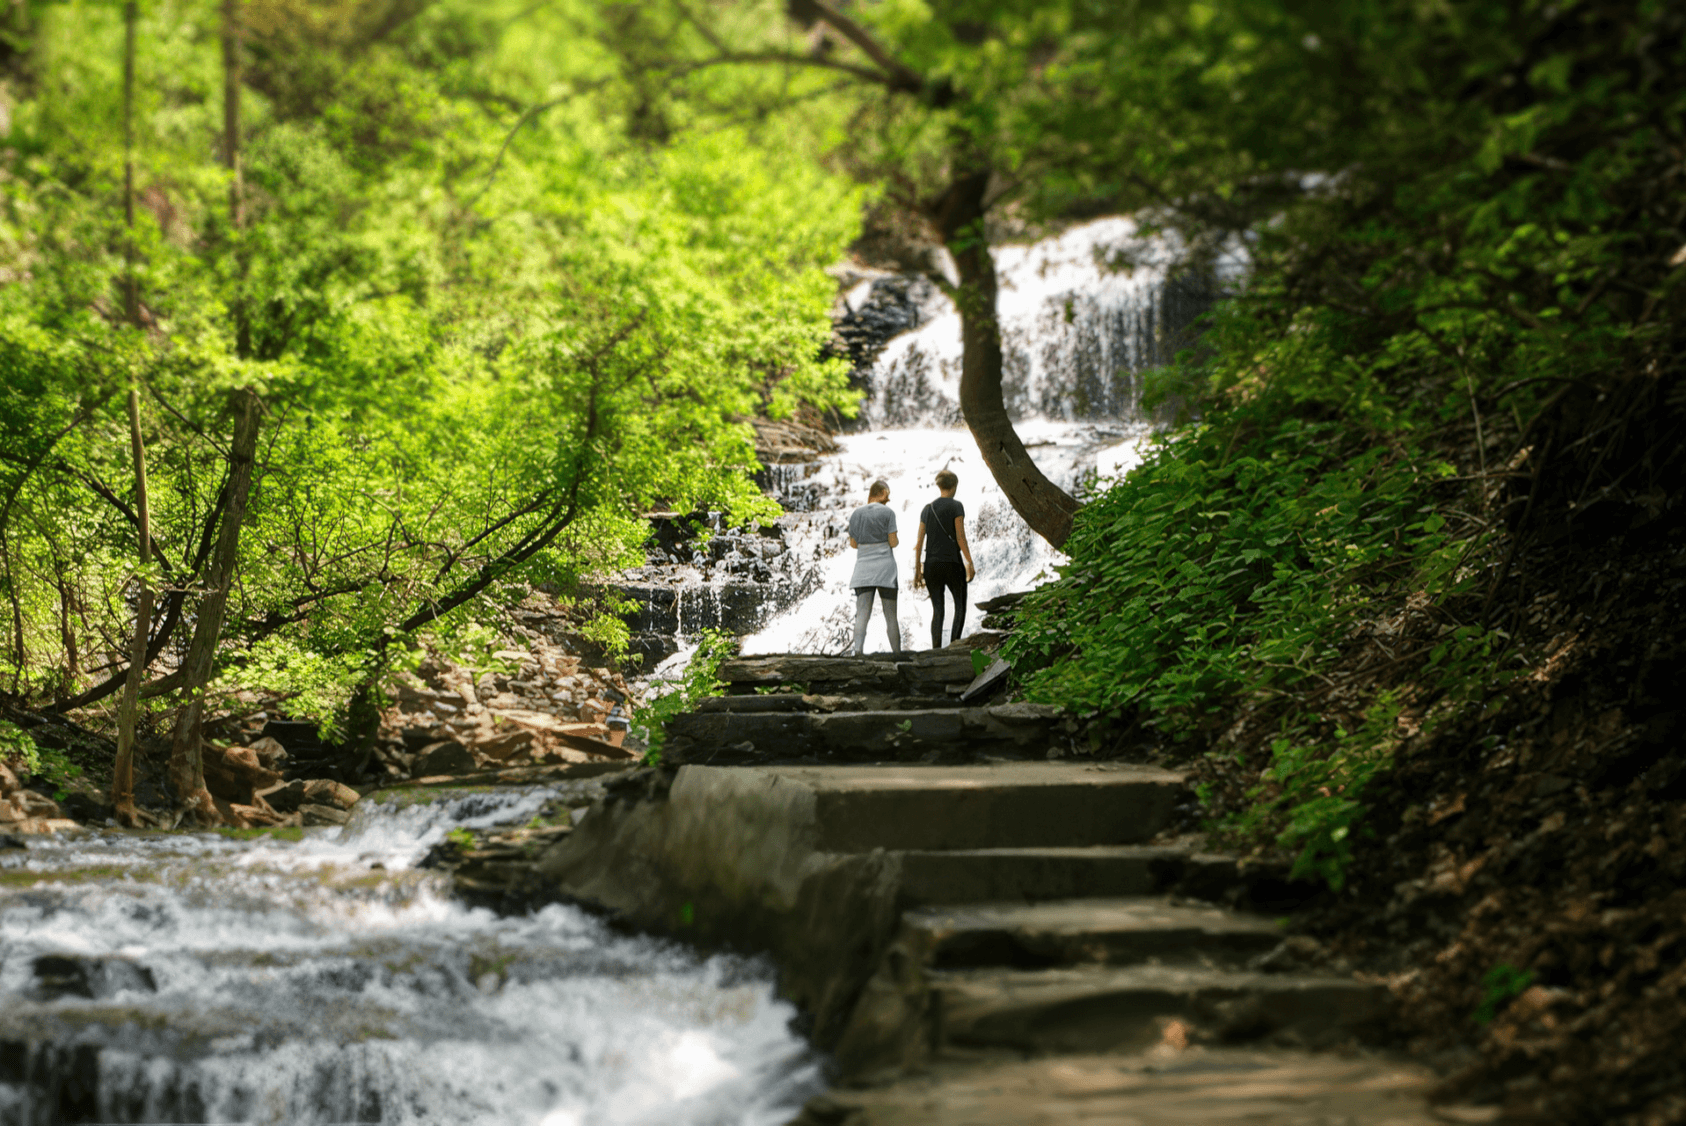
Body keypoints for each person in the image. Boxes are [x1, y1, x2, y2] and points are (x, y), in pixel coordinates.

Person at [912, 469, 975, 649]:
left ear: (939, 486)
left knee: (938, 610)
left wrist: (918, 570)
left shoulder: (927, 509)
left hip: (931, 566)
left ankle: (936, 651)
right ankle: (954, 646)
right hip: (952, 564)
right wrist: (969, 561)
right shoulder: (956, 506)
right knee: (960, 606)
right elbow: (960, 536)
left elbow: (919, 542)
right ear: (954, 486)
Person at [847, 479, 902, 655]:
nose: (888, 500)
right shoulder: (888, 513)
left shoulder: (856, 514)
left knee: (862, 614)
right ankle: (897, 654)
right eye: (888, 496)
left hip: (863, 568)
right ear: (884, 492)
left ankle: (858, 653)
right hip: (886, 569)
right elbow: (893, 542)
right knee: (891, 616)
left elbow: (853, 544)